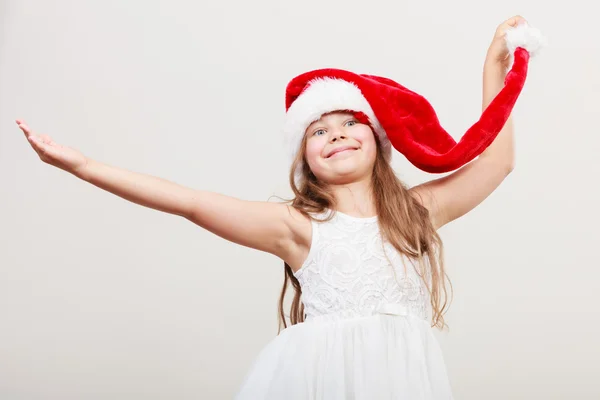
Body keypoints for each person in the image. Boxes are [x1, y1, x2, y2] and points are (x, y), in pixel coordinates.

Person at [17, 16, 543, 400]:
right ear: (306, 160)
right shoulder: (297, 227)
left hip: (403, 380)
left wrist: (492, 68)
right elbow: (191, 203)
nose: (336, 134)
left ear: (379, 140)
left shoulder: (417, 212)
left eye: (349, 123)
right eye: (319, 130)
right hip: (321, 383)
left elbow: (497, 163)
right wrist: (84, 166)